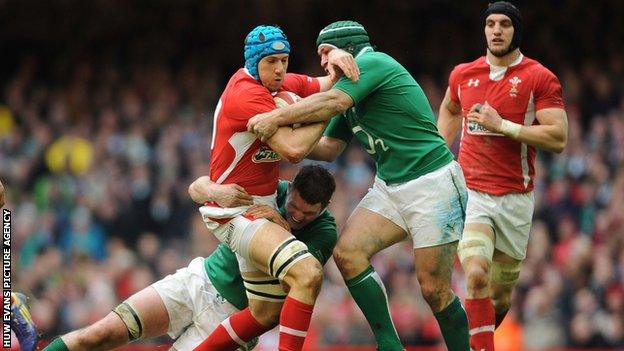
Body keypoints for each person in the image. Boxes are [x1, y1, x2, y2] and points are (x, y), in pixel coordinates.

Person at [248, 20, 470, 351]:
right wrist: (283, 140)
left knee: (433, 289)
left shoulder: (372, 64)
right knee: (348, 252)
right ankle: (389, 345)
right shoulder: (349, 88)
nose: (323, 63)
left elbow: (332, 103)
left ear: (345, 47)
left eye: (325, 53)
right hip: (391, 185)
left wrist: (276, 118)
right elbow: (327, 148)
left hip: (432, 182)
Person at [43, 165, 338, 351]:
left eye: (307, 213)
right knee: (100, 334)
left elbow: (293, 283)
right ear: (291, 189)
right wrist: (216, 191)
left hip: (233, 319)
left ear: (324, 208)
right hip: (199, 280)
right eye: (293, 207)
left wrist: (281, 225)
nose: (297, 215)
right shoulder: (270, 190)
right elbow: (196, 188)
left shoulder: (324, 233)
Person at [193, 25, 356, 351]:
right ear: (255, 63)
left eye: (284, 60)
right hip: (237, 211)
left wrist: (336, 57)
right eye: (272, 61)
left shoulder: (279, 83)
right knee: (307, 273)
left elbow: (326, 84)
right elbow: (294, 149)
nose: (280, 68)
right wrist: (330, 107)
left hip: (256, 210)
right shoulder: (247, 94)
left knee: (266, 313)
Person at [436, 2, 568, 351]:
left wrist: (503, 126)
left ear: (516, 31)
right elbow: (451, 107)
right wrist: (439, 153)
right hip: (473, 193)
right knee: (475, 274)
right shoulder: (464, 74)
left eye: (504, 24)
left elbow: (558, 137)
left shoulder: (539, 77)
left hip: (515, 199)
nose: (496, 30)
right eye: (490, 24)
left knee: (498, 297)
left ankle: (474, 339)